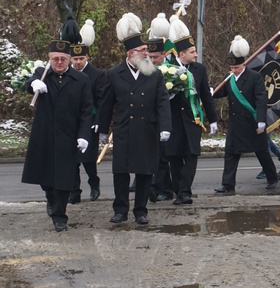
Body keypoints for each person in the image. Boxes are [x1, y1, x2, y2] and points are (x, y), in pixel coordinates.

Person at [98, 13, 172, 225]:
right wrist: (103, 129)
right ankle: (120, 210)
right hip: (124, 129)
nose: (146, 53)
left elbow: (162, 102)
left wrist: (165, 126)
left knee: (144, 172)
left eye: (146, 50)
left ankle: (141, 210)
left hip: (147, 128)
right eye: (142, 51)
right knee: (121, 172)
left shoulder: (154, 74)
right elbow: (106, 104)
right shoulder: (114, 73)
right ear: (131, 53)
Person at [22, 34, 93, 231]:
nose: (59, 62)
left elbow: (87, 110)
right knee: (46, 176)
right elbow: (28, 83)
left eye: (63, 59)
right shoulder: (43, 74)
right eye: (55, 59)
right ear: (49, 59)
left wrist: (84, 134)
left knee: (64, 177)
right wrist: (33, 84)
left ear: (69, 59)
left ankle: (60, 215)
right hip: (44, 134)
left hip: (68, 135)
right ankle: (50, 198)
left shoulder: (81, 79)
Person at [213, 35, 279, 192]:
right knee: (230, 153)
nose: (234, 71)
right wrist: (211, 91)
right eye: (232, 68)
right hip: (236, 123)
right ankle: (228, 185)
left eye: (236, 68)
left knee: (262, 151)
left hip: (252, 121)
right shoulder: (228, 78)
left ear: (243, 64)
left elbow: (261, 100)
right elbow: (220, 92)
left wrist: (261, 120)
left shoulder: (255, 77)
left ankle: (272, 177)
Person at [166, 16, 218, 205]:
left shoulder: (199, 69)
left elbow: (206, 96)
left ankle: (185, 191)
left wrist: (212, 119)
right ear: (181, 54)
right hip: (173, 121)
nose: (195, 54)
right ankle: (178, 190)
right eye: (192, 51)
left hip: (193, 120)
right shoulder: (167, 69)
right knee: (175, 157)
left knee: (192, 154)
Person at [68, 19, 106, 203]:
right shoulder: (67, 73)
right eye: (74, 59)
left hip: (89, 120)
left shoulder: (97, 75)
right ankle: (74, 192)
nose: (77, 62)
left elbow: (101, 100)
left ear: (87, 58)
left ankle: (94, 183)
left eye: (80, 59)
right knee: (72, 160)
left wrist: (99, 120)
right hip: (71, 121)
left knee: (88, 159)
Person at [146, 37, 175, 202]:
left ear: (163, 55)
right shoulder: (145, 71)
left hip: (165, 120)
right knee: (153, 156)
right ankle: (162, 187)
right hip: (148, 119)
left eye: (155, 57)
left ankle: (159, 189)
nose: (152, 60)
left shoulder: (171, 71)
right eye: (149, 57)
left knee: (163, 156)